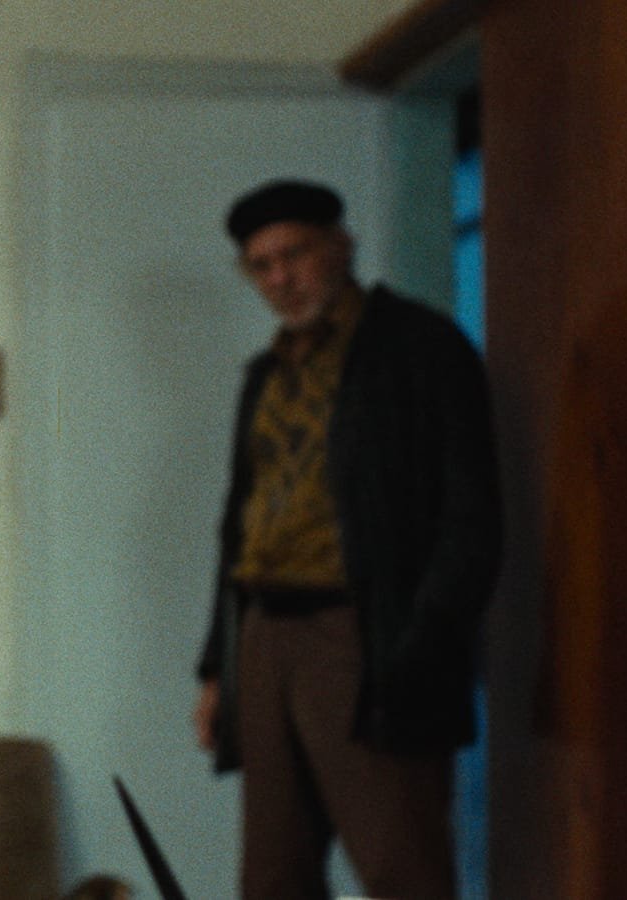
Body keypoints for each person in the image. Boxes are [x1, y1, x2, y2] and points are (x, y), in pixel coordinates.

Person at [192, 180, 501, 899]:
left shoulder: (420, 349)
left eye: (294, 254)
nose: (281, 278)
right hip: (265, 635)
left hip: (364, 635)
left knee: (401, 867)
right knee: (274, 877)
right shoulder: (267, 373)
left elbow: (473, 518)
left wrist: (423, 643)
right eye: (261, 266)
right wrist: (218, 668)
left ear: (341, 245)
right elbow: (240, 521)